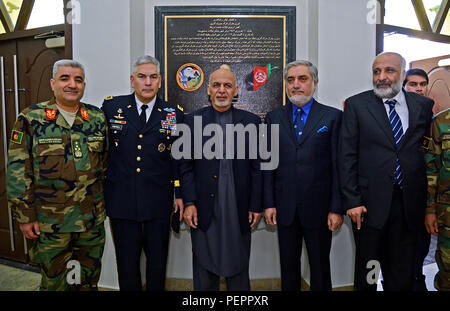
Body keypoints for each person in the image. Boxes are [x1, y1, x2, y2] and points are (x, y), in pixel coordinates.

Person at [6, 59, 107, 291]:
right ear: (53, 83)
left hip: (90, 222)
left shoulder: (97, 118)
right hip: (50, 224)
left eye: (78, 80)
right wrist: (25, 216)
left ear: (84, 85)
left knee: (87, 281)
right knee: (55, 283)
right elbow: (18, 171)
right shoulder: (30, 119)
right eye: (65, 78)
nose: (72, 84)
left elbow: (105, 166)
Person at [339, 52, 434, 291]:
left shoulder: (422, 106)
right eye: (376, 71)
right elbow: (346, 156)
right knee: (368, 271)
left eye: (389, 71)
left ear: (402, 75)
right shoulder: (356, 105)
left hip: (408, 205)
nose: (382, 77)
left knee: (402, 271)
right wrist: (352, 200)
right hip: (369, 207)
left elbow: (425, 153)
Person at [101, 55, 184, 291]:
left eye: (153, 77)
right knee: (127, 266)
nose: (147, 82)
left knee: (157, 265)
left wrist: (178, 193)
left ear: (160, 81)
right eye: (142, 77)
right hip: (122, 201)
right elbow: (101, 151)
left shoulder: (173, 112)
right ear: (132, 80)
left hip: (159, 201)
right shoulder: (112, 107)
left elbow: (179, 158)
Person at [179, 65, 262, 290]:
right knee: (205, 272)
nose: (222, 90)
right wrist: (189, 202)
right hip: (205, 208)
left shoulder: (252, 122)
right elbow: (184, 167)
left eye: (227, 85)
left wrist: (256, 204)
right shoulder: (191, 121)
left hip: (238, 207)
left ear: (236, 91)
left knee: (238, 269)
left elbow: (257, 168)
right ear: (208, 90)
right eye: (217, 85)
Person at [263, 60, 343, 291]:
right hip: (284, 208)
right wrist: (268, 203)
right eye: (290, 80)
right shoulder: (273, 118)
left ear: (315, 83)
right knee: (288, 268)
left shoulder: (332, 117)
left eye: (302, 79)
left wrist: (336, 208)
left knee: (320, 268)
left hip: (320, 209)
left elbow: (339, 166)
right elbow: (268, 164)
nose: (295, 85)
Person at [404, 67, 432, 291]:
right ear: (404, 86)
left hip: (424, 195)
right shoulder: (396, 116)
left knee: (420, 246)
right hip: (398, 194)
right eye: (413, 84)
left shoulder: (432, 117)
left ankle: (417, 280)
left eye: (422, 84)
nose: (418, 89)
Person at [424, 109, 450, 291]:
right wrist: (430, 210)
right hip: (446, 212)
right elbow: (431, 169)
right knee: (447, 264)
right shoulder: (440, 123)